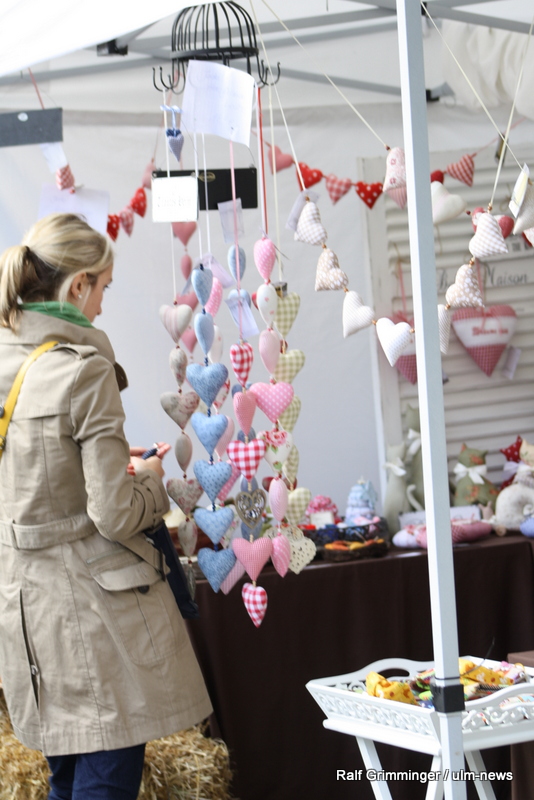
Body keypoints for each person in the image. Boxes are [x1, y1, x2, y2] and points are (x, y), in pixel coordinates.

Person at [0, 213, 212, 799]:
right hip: (94, 619)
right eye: (103, 289)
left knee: (66, 779)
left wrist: (104, 469)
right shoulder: (83, 371)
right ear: (77, 286)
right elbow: (114, 515)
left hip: (26, 610)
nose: (100, 307)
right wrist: (151, 481)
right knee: (104, 781)